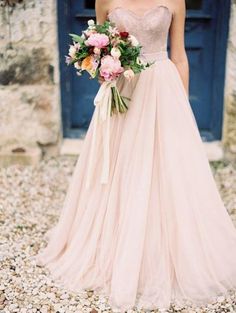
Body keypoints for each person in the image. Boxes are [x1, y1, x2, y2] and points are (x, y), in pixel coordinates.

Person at [35, 0, 236, 311]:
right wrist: (105, 70)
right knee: (119, 163)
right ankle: (115, 246)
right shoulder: (106, 0)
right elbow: (97, 53)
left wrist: (180, 107)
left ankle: (164, 251)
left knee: (165, 168)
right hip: (123, 90)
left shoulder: (175, 1)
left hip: (161, 89)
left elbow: (179, 57)